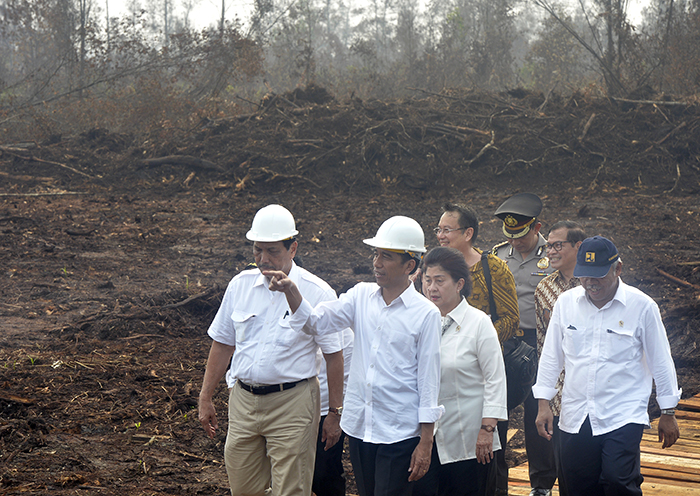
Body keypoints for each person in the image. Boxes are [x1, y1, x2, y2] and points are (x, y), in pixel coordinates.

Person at [264, 215, 444, 496]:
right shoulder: (361, 297)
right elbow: (315, 323)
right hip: (361, 428)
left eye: (386, 256)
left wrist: (426, 441)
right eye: (376, 254)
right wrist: (292, 291)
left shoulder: (426, 314)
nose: (377, 262)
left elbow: (429, 381)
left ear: (410, 265)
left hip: (399, 433)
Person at [197, 204, 345, 496]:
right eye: (257, 251)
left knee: (291, 489)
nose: (263, 259)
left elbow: (334, 356)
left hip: (293, 401)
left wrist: (334, 413)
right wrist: (205, 396)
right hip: (243, 400)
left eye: (272, 251)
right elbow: (223, 343)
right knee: (244, 488)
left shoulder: (318, 292)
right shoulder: (240, 286)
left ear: (293, 248)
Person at [533, 236, 682, 496]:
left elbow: (661, 360)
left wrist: (668, 412)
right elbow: (551, 356)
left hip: (622, 413)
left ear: (618, 269)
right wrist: (544, 402)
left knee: (618, 481)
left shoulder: (642, 306)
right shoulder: (566, 304)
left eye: (598, 276)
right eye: (584, 276)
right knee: (577, 484)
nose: (590, 283)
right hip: (576, 413)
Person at [433, 202, 519, 495]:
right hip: (445, 387)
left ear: (468, 233)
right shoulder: (433, 269)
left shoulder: (492, 266)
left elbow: (510, 317)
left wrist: (476, 339)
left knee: (487, 465)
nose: (441, 235)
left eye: (447, 230)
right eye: (438, 230)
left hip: (481, 374)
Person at [413, 247, 508, 496]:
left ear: (459, 284)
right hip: (423, 438)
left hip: (469, 440)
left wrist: (487, 430)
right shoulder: (417, 321)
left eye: (440, 281)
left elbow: (495, 379)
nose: (431, 288)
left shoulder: (479, 323)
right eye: (427, 280)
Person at [493, 192, 555, 496]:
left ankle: (541, 484)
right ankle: (495, 478)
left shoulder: (552, 256)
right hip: (506, 340)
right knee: (498, 408)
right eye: (511, 235)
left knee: (537, 409)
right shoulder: (498, 254)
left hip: (539, 339)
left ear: (537, 227)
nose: (515, 241)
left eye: (521, 235)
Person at [533, 221, 587, 496]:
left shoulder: (597, 283)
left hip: (591, 392)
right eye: (548, 246)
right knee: (567, 469)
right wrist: (546, 399)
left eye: (557, 245)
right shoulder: (543, 289)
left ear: (578, 246)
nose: (550, 251)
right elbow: (544, 346)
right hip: (558, 396)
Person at [313, 327, 354, 496]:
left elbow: (348, 379)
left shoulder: (345, 334)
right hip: (295, 408)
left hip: (327, 412)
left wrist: (336, 414)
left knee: (325, 474)